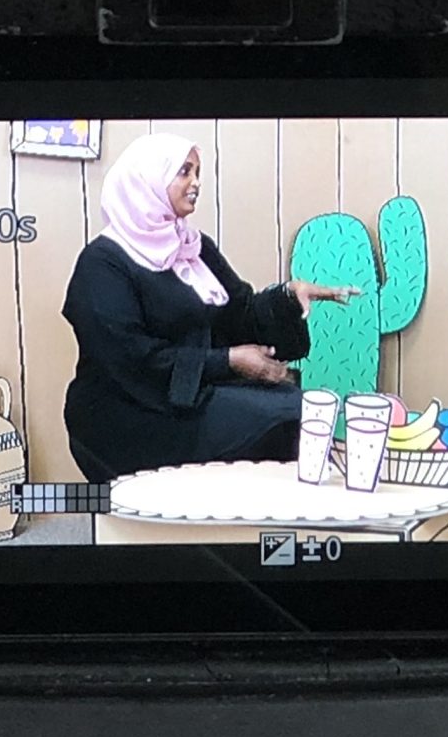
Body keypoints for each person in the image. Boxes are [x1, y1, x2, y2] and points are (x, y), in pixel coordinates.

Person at [61, 133, 357, 483]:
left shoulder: (194, 247)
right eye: (184, 171)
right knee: (284, 414)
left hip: (192, 392)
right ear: (148, 180)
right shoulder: (102, 263)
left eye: (197, 172)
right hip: (130, 410)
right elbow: (131, 359)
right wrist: (228, 361)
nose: (196, 183)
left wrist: (288, 295)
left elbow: (240, 312)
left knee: (299, 406)